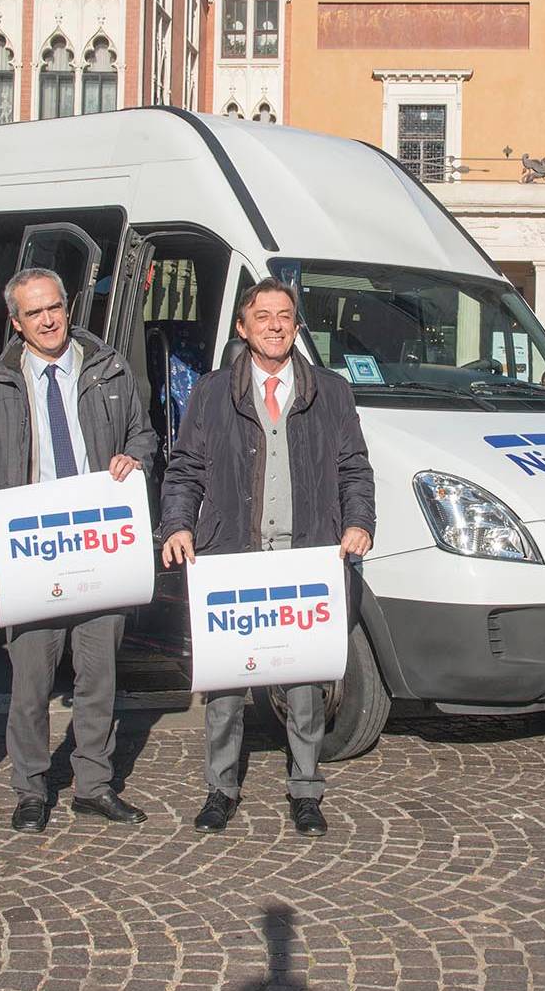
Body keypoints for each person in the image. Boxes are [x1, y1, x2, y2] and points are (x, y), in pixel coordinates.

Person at [159, 279, 375, 837]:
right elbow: (185, 469)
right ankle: (220, 789)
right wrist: (178, 525)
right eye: (263, 316)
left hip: (304, 558)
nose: (276, 325)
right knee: (226, 690)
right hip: (232, 558)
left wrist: (359, 522)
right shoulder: (210, 394)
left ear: (296, 324)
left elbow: (355, 467)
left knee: (305, 688)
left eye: (285, 316)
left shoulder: (332, 391)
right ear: (242, 327)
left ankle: (305, 789)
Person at [0, 268, 159, 833]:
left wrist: (136, 461)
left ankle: (93, 785)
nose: (49, 320)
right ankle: (31, 789)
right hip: (33, 551)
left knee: (98, 678)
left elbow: (143, 435)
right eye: (35, 313)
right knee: (30, 682)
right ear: (17, 322)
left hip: (101, 545)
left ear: (68, 306)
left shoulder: (109, 367)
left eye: (55, 307)